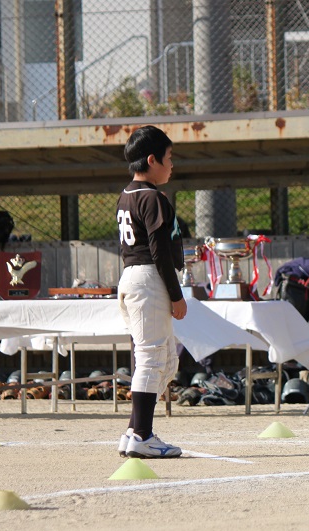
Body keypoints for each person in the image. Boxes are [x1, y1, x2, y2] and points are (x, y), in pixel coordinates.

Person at [115, 125, 187, 458]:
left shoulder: (127, 194)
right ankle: (142, 435)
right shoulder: (152, 197)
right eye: (168, 158)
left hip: (133, 276)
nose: (171, 164)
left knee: (166, 360)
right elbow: (159, 252)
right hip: (148, 278)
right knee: (152, 357)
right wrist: (176, 295)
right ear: (151, 160)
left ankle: (135, 430)